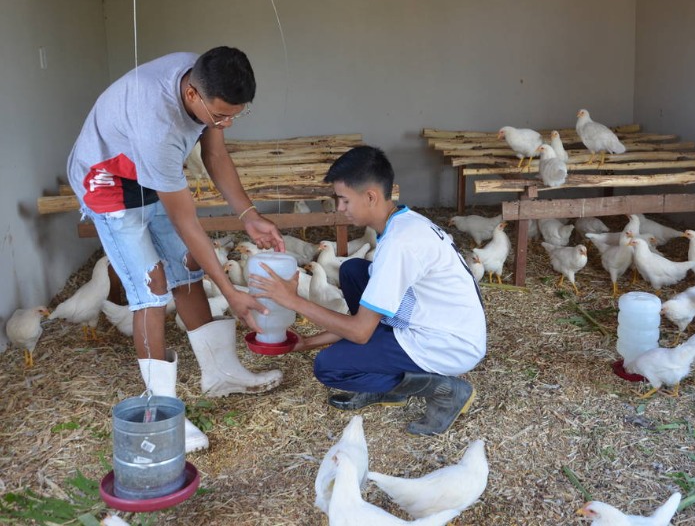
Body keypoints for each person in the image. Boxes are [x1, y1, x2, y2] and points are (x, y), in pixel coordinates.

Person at [67, 47, 285, 453]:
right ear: (191, 96)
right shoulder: (158, 127)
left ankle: (221, 373)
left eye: (236, 114)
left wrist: (249, 214)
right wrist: (231, 293)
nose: (226, 122)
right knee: (150, 289)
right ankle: (162, 413)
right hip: (108, 180)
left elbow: (215, 153)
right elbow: (188, 224)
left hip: (145, 167)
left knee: (186, 268)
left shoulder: (206, 77)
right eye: (220, 115)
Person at [250, 145, 486, 436]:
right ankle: (392, 383)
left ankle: (445, 389)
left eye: (344, 200)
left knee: (330, 367)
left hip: (448, 344)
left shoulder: (400, 243)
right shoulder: (403, 221)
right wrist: (306, 342)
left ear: (371, 196)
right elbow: (364, 322)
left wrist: (292, 300)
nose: (340, 208)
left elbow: (360, 331)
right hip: (440, 321)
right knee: (353, 271)